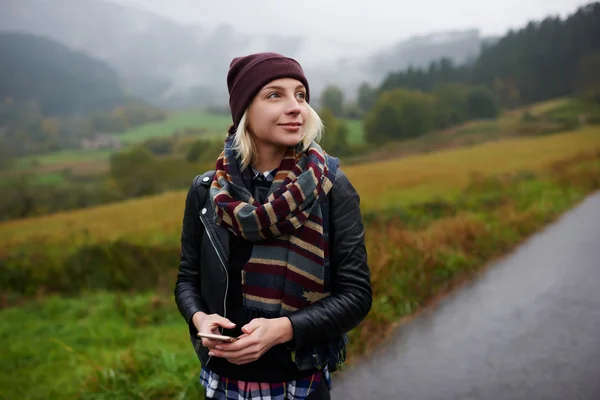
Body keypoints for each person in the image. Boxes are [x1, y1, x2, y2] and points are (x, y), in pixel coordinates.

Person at [174, 52, 372, 400]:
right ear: (244, 111)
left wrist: (283, 330)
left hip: (299, 381)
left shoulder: (330, 187)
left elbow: (356, 296)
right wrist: (199, 319)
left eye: (300, 95)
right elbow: (187, 280)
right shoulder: (206, 192)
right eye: (274, 95)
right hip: (222, 382)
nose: (296, 107)